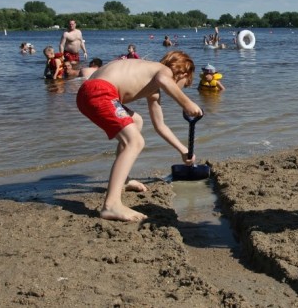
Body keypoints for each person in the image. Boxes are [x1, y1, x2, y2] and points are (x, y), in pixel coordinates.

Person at [76, 50, 203, 222]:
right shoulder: (162, 71)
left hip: (88, 93)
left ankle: (123, 181)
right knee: (135, 142)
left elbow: (160, 126)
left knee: (136, 121)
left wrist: (182, 150)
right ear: (183, 73)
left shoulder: (152, 84)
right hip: (100, 92)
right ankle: (111, 205)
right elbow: (164, 79)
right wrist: (187, 103)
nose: (182, 87)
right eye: (185, 84)